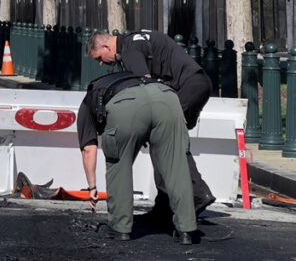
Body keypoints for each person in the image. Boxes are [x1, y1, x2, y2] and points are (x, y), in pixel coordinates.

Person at [88, 31, 215, 220]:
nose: (101, 63)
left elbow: (145, 87)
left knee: (166, 139)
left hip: (188, 86)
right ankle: (164, 206)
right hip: (195, 83)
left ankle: (197, 194)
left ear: (107, 47)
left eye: (100, 58)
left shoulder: (129, 51)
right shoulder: (132, 41)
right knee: (163, 139)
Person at [77, 71, 197, 244]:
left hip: (125, 105)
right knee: (176, 166)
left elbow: (89, 149)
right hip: (166, 97)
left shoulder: (88, 102)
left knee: (119, 166)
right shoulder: (124, 81)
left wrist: (92, 187)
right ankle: (186, 230)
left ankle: (121, 227)